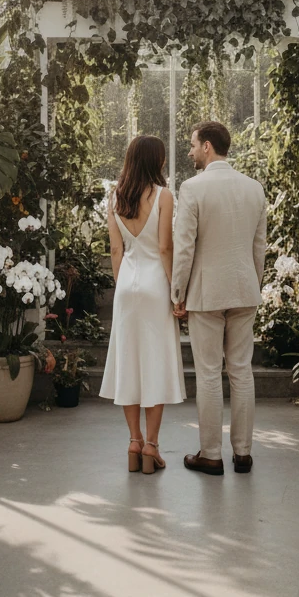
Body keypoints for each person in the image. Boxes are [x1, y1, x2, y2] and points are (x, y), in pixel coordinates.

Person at [171, 120, 266, 477]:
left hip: (206, 293)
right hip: (244, 290)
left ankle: (210, 454)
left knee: (209, 373)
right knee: (241, 371)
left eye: (194, 145)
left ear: (208, 146)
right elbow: (260, 247)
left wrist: (177, 292)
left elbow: (185, 249)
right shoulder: (254, 189)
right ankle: (243, 453)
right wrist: (252, 285)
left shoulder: (192, 189)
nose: (191, 151)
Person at [100, 134, 185, 473]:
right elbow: (166, 249)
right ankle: (152, 446)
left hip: (127, 288)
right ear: (157, 161)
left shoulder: (115, 198)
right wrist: (176, 292)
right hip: (154, 285)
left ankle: (133, 441)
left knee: (129, 364)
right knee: (155, 364)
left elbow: (116, 251)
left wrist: (124, 288)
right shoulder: (164, 196)